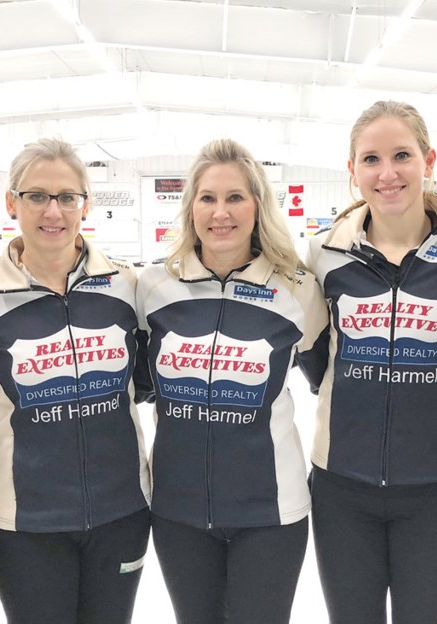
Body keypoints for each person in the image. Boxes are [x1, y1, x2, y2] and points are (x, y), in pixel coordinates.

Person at [302, 100, 437, 624]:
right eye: (370, 159)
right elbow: (313, 351)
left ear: (428, 160)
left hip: (432, 493)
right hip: (340, 487)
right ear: (352, 172)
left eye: (401, 156)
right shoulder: (321, 254)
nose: (387, 174)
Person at [0, 137, 152, 624]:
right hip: (28, 521)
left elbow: (146, 379)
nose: (54, 211)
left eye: (68, 197)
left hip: (121, 511)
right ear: (11, 202)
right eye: (37, 196)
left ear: (85, 204)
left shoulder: (127, 286)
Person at [136, 138, 329, 624]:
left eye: (235, 197)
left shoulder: (297, 289)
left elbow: (333, 374)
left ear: (258, 206)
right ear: (191, 208)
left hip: (270, 512)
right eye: (207, 198)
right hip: (178, 511)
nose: (220, 212)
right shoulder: (153, 287)